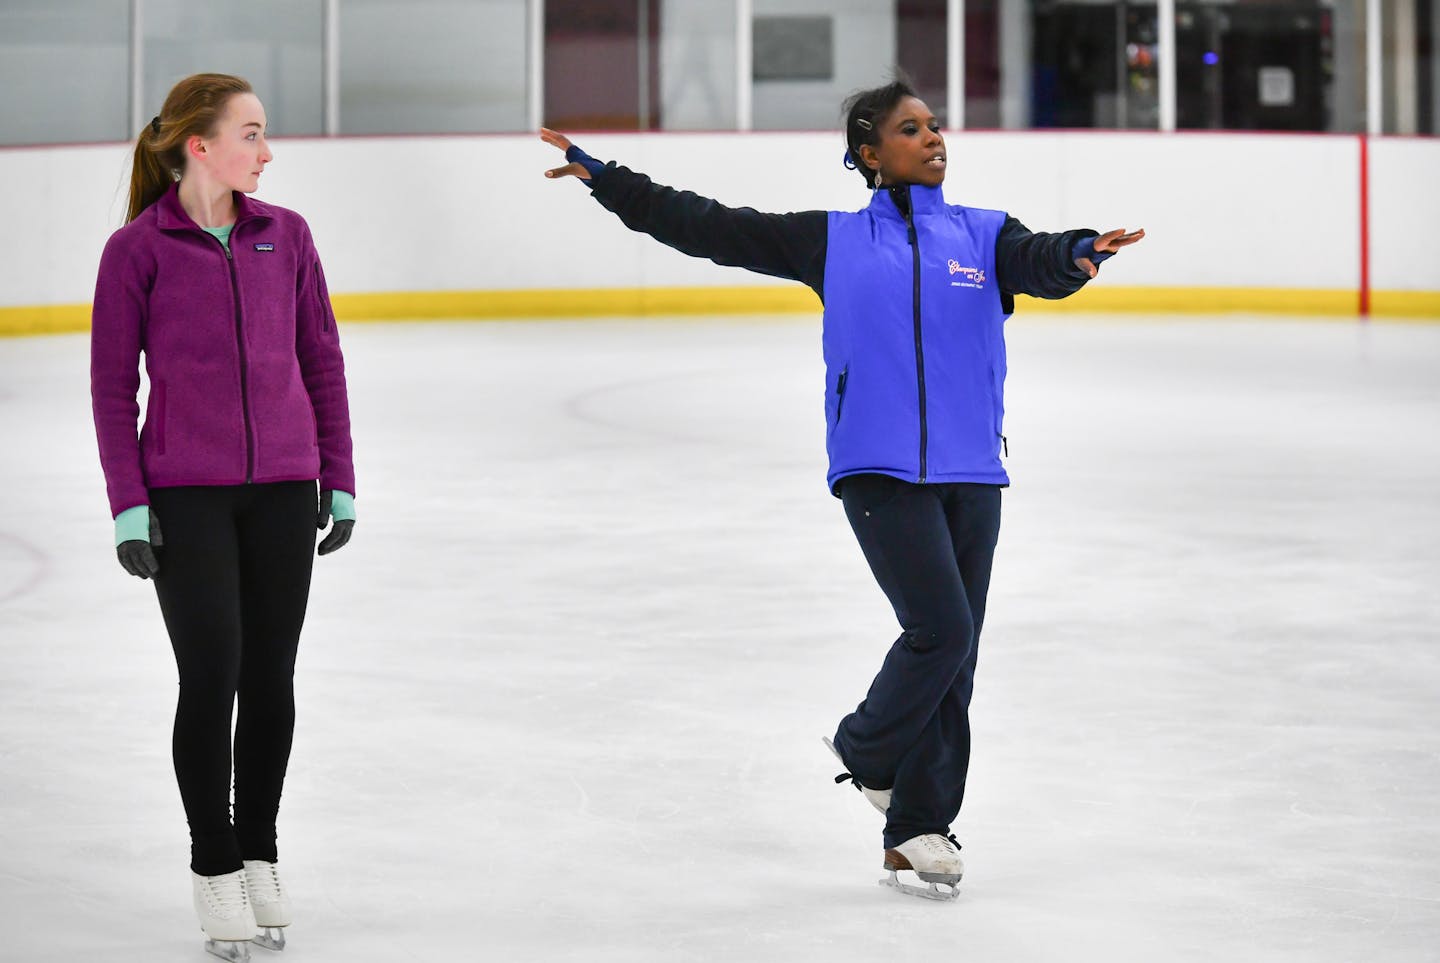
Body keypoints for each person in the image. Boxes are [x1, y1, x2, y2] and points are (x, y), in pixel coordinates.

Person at [540, 78, 1143, 900]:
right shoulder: (831, 242)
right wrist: (611, 181)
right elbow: (708, 226)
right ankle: (864, 750)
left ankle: (916, 829)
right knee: (941, 629)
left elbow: (1041, 260)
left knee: (956, 659)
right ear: (869, 153)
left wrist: (1076, 252)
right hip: (877, 466)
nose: (933, 137)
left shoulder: (984, 235)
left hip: (973, 468)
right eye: (909, 129)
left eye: (934, 126)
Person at [90, 72, 356, 958]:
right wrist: (131, 504)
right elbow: (108, 390)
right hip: (187, 495)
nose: (267, 150)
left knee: (271, 680)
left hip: (284, 486)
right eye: (251, 134)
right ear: (199, 145)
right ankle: (214, 867)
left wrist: (339, 475)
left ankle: (260, 852)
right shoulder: (138, 250)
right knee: (212, 677)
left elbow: (322, 359)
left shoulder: (289, 235)